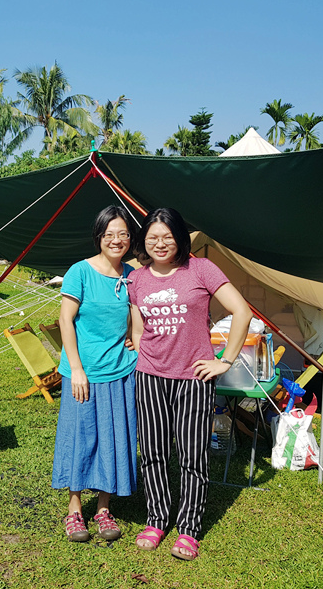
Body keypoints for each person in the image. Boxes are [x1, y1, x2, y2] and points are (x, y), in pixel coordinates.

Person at [128, 207, 251, 560]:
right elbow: (138, 329)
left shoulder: (200, 269)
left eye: (167, 236)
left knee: (192, 455)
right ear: (144, 241)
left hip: (193, 378)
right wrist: (138, 351)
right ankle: (157, 518)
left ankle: (189, 527)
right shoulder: (137, 279)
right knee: (152, 452)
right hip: (150, 376)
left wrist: (224, 360)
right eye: (153, 237)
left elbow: (242, 311)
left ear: (180, 238)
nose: (160, 243)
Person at [52, 205, 139, 542]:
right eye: (110, 234)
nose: (116, 240)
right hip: (84, 372)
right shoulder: (80, 272)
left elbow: (136, 316)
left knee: (114, 439)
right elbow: (65, 320)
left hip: (120, 370)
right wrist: (76, 369)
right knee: (80, 438)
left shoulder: (131, 275)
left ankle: (103, 508)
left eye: (123, 234)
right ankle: (74, 510)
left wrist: (132, 337)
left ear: (130, 239)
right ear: (99, 237)